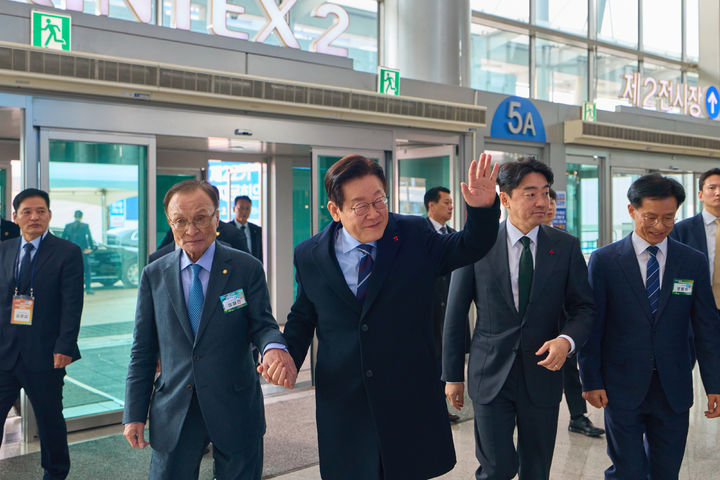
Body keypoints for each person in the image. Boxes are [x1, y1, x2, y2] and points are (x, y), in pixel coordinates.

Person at [274, 153, 501, 479]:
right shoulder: (310, 254)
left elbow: (468, 245)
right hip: (345, 402)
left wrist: (482, 210)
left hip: (407, 395)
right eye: (360, 206)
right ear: (335, 210)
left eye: (379, 200)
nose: (374, 213)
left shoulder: (413, 234)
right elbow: (303, 316)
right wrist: (288, 357)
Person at [123, 180, 295, 480]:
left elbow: (263, 325)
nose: (191, 229)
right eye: (180, 221)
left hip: (236, 404)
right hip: (175, 408)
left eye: (201, 218)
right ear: (170, 223)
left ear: (217, 218)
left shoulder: (246, 267)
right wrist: (134, 413)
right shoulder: (154, 274)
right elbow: (142, 350)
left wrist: (274, 348)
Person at [443, 159, 595, 480]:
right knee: (497, 468)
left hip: (542, 374)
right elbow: (455, 314)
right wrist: (452, 375)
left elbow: (583, 308)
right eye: (530, 194)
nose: (542, 202)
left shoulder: (565, 247)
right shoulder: (476, 244)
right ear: (505, 199)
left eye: (546, 193)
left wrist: (566, 341)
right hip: (490, 373)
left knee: (536, 470)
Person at [578, 174, 720, 479]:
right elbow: (592, 324)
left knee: (666, 471)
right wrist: (590, 379)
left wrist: (715, 384)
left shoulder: (691, 262)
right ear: (632, 211)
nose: (659, 226)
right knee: (627, 470)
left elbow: (707, 327)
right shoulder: (605, 261)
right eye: (650, 217)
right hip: (620, 385)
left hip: (673, 387)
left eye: (668, 218)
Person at [0, 188, 84, 480]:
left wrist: (65, 345)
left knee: (49, 421)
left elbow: (72, 305)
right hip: (5, 352)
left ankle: (56, 472)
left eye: (40, 211)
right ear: (15, 217)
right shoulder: (4, 249)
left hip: (46, 353)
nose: (34, 217)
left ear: (49, 215)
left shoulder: (67, 252)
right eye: (27, 212)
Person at [543, 189, 604, 438]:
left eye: (551, 202)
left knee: (570, 369)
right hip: (535, 323)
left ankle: (578, 416)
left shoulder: (566, 242)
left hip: (565, 320)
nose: (548, 206)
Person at [424, 186, 462, 423]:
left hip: (449, 306)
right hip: (427, 308)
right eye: (446, 202)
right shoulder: (420, 233)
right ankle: (430, 407)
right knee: (430, 358)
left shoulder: (453, 234)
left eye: (451, 203)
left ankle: (441, 407)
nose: (450, 207)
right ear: (431, 205)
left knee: (444, 356)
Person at [671, 168, 720, 310]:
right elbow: (675, 270)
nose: (718, 192)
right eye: (712, 188)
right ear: (700, 195)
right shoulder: (681, 230)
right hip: (696, 306)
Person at [62, 210, 95, 294]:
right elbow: (89, 238)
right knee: (86, 270)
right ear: (81, 217)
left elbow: (63, 240)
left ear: (74, 216)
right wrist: (91, 248)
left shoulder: (68, 226)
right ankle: (88, 288)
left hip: (70, 253)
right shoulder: (85, 226)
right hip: (82, 252)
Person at [233, 195, 263, 263]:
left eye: (247, 208)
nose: (244, 212)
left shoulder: (257, 230)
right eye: (241, 208)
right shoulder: (227, 229)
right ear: (234, 209)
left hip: (253, 266)